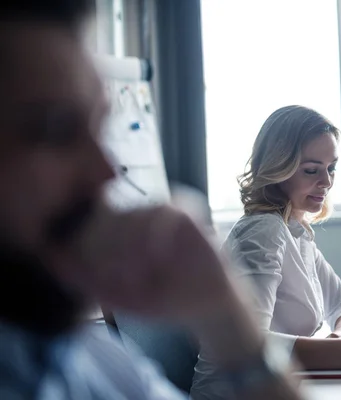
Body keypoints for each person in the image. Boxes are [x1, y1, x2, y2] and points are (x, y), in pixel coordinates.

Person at [0, 1, 303, 399]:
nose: (106, 173)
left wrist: (229, 322)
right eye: (54, 129)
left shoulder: (88, 358)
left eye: (98, 128)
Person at [191, 105, 341, 398]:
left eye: (331, 169)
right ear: (278, 169)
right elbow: (247, 345)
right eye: (312, 170)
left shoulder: (295, 231)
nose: (326, 182)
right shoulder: (264, 231)